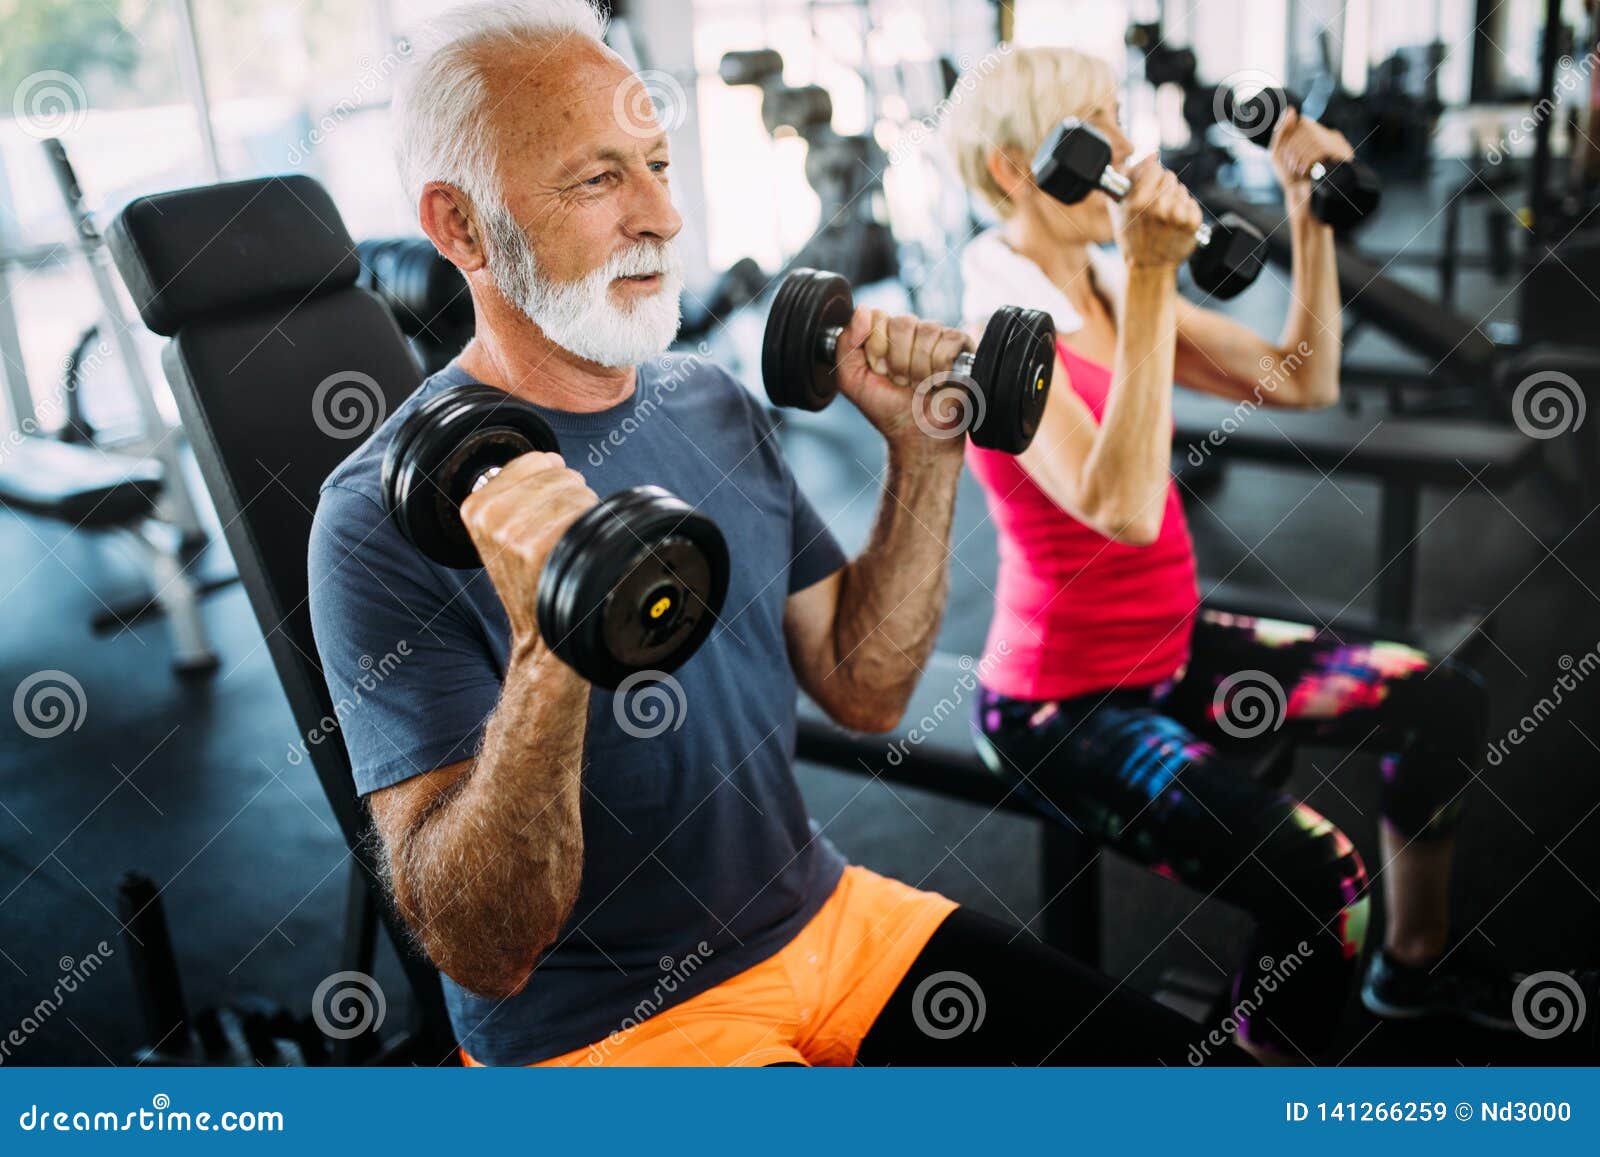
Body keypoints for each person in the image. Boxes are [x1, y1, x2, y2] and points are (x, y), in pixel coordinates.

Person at [307, 1, 1243, 1067]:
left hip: (825, 919)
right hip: (604, 1031)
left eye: (659, 163)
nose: (662, 213)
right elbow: (486, 951)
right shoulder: (377, 517)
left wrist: (923, 454)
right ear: (460, 225)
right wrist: (549, 645)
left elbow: (865, 688)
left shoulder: (706, 399)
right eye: (599, 178)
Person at [944, 46, 1509, 1062]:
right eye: (1097, 128)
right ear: (1013, 170)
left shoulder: (1103, 282)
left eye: (1121, 119)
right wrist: (1155, 272)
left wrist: (1305, 211)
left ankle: (1412, 967)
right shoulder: (997, 328)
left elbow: (1303, 377)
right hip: (1059, 703)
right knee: (1321, 879)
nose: (1129, 148)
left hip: (1168, 642)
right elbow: (1115, 504)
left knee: (1445, 697)